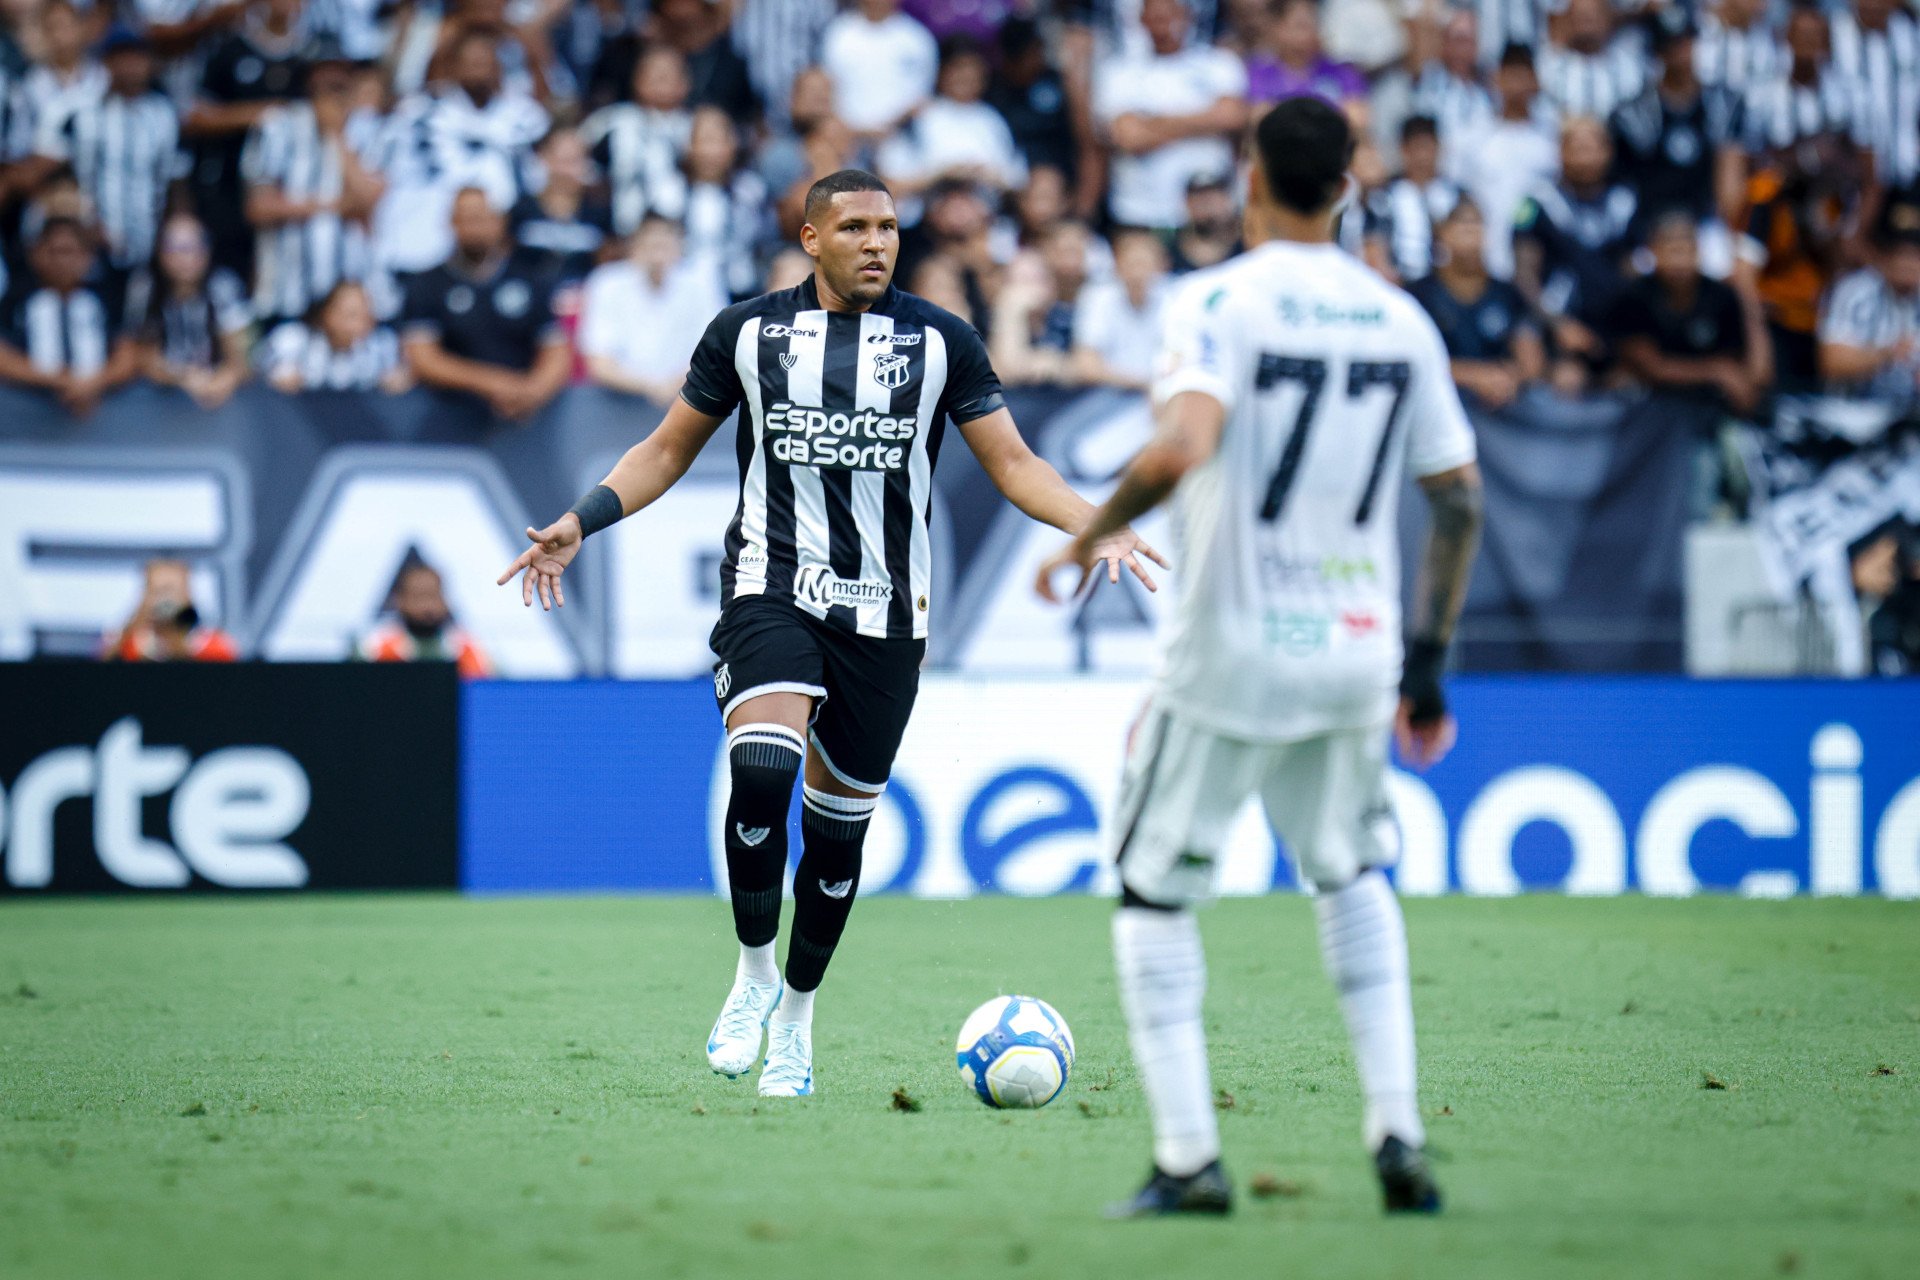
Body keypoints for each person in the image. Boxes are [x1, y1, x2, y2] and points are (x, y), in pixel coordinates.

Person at [495, 168, 1164, 1100]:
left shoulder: (942, 341)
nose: (876, 242)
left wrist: (1099, 523)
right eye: (854, 227)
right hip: (771, 590)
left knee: (837, 841)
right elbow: (664, 450)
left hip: (888, 618)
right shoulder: (748, 333)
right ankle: (752, 974)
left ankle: (798, 1021)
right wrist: (583, 517)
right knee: (762, 768)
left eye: (887, 227)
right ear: (813, 239)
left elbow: (1013, 463)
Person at [1032, 96, 1480, 1219]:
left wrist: (1087, 534)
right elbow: (1460, 500)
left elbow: (1184, 442)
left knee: (1150, 889)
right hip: (1358, 646)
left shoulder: (1214, 301)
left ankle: (1188, 1158)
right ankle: (1400, 1139)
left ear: (1249, 177)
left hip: (1231, 646)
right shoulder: (1400, 318)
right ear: (1350, 183)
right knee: (1350, 871)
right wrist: (1427, 661)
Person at [241, 35, 387, 327]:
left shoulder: (368, 127)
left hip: (349, 297)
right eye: (324, 69)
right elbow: (258, 208)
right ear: (308, 76)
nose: (334, 78)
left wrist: (337, 135)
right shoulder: (278, 125)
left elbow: (368, 202)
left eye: (340, 70)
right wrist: (333, 205)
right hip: (286, 292)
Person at [400, 185, 570, 422]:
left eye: (481, 218)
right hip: (448, 418)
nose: (474, 228)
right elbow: (423, 358)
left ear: (499, 222)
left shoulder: (531, 280)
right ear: (451, 223)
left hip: (526, 420)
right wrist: (491, 384)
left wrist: (533, 391)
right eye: (466, 219)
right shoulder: (426, 285)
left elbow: (556, 349)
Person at [25, 26, 177, 274]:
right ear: (106, 62)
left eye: (137, 56)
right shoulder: (77, 111)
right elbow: (41, 174)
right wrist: (81, 218)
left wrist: (167, 234)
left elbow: (172, 182)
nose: (130, 65)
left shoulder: (164, 114)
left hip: (148, 244)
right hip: (88, 244)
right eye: (121, 56)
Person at [1608, 14, 1747, 274]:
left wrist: (1732, 232)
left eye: (1685, 43)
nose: (1679, 53)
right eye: (1670, 45)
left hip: (1705, 225)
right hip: (1650, 229)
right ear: (1657, 52)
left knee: (1730, 270)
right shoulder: (1633, 112)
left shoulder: (1724, 104)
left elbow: (1731, 178)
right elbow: (1625, 188)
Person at [1093, 0, 1249, 232]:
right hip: (1142, 212)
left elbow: (1232, 117)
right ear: (1141, 21)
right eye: (1156, 18)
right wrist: (1206, 121)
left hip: (1212, 209)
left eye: (1170, 16)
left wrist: (1152, 122)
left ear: (1187, 16)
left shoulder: (1219, 63)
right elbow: (1130, 137)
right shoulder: (1118, 72)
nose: (1164, 25)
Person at [1511, 116, 1638, 389]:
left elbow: (1632, 268)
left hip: (1614, 325)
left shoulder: (1625, 201)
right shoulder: (1538, 202)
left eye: (1592, 148)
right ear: (1561, 152)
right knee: (1566, 382)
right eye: (1576, 148)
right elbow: (1524, 274)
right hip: (1557, 324)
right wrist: (1558, 325)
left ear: (1608, 151)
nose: (1585, 158)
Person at [1605, 212, 1769, 420]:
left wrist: (1749, 301)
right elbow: (1650, 367)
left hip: (1708, 403)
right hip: (1648, 405)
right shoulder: (1634, 297)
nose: (1680, 261)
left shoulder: (1721, 296)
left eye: (1686, 250)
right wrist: (1716, 371)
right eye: (1672, 251)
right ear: (1654, 252)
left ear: (1699, 252)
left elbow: (1747, 367)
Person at [1410, 199, 1546, 408]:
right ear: (1442, 233)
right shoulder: (1419, 294)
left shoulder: (1507, 293)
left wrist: (1509, 378)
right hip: (1442, 401)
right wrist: (1472, 376)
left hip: (1500, 404)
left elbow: (1531, 359)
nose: (1471, 234)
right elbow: (1413, 361)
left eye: (1477, 225)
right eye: (1462, 225)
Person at [579, 213, 725, 405]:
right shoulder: (606, 283)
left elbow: (714, 354)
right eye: (650, 244)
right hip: (617, 404)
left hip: (687, 403)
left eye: (665, 242)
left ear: (679, 245)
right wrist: (651, 388)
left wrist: (673, 386)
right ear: (634, 246)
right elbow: (599, 361)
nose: (657, 252)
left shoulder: (702, 284)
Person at [0, 217, 139, 417]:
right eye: (55, 252)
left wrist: (91, 384)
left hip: (99, 427)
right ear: (37, 254)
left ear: (88, 258)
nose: (62, 261)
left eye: (71, 252)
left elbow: (128, 355)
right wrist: (61, 381)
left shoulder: (104, 301)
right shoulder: (16, 300)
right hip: (28, 425)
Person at [1454, 43, 1559, 281]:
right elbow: (1462, 200)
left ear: (1536, 81)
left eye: (1524, 75)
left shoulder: (1553, 140)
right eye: (1510, 75)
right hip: (1488, 263)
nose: (1517, 84)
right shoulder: (1472, 138)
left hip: (1544, 264)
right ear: (1496, 79)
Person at [876, 34, 1026, 200]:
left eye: (973, 69)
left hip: (986, 215)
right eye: (959, 68)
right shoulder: (920, 117)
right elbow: (889, 186)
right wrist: (941, 175)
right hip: (926, 216)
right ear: (941, 72)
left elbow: (1018, 182)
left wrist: (985, 175)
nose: (966, 77)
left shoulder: (992, 120)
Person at [131, 211, 253, 410]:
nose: (186, 257)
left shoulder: (224, 286)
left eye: (193, 246)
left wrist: (222, 380)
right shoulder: (145, 288)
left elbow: (244, 357)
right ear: (160, 253)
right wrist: (182, 377)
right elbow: (140, 355)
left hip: (221, 406)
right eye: (176, 248)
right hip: (161, 407)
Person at [819, 0, 938, 144]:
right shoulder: (837, 34)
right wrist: (856, 130)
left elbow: (922, 97)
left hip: (900, 138)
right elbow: (825, 89)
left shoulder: (917, 38)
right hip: (846, 139)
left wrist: (890, 127)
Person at [262, 278, 408, 392]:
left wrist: (398, 380)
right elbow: (264, 377)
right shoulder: (292, 340)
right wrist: (282, 378)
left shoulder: (383, 346)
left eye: (367, 315)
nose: (362, 324)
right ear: (328, 315)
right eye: (352, 315)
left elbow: (401, 377)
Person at [1070, 228, 1171, 390]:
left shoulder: (1174, 299)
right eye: (1132, 264)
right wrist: (1143, 384)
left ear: (1160, 266)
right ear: (1117, 265)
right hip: (1106, 394)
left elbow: (1180, 361)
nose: (1137, 272)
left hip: (1161, 395)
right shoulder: (1097, 297)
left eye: (1144, 263)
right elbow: (1085, 365)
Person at [356, 558, 492, 677]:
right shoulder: (374, 649)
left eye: (433, 596)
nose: (427, 607)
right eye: (419, 597)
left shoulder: (468, 651)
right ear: (400, 601)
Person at [1369, 115, 1461, 284]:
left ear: (1439, 148)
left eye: (1428, 148)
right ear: (1403, 150)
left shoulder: (1456, 196)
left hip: (1447, 287)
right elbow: (1376, 243)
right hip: (1400, 285)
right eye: (1416, 148)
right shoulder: (1385, 196)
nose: (1423, 157)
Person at [104, 557, 240, 662]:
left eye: (171, 589)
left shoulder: (214, 645)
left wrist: (178, 641)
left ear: (188, 593)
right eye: (157, 591)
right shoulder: (129, 644)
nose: (165, 600)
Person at [1244, 0, 1368, 113]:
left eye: (1314, 24)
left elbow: (1358, 116)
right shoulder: (1260, 75)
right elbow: (1259, 118)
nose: (1311, 32)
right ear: (1276, 28)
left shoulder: (1343, 73)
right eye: (1301, 26)